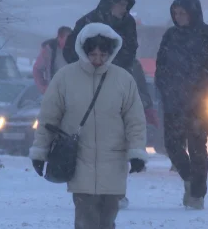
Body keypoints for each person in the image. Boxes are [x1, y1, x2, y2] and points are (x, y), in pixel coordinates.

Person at [29, 22, 148, 229]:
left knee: (108, 217)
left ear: (111, 53)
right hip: (78, 160)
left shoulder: (123, 80)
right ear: (83, 52)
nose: (98, 60)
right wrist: (40, 152)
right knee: (85, 218)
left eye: (103, 56)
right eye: (93, 55)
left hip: (113, 159)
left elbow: (135, 120)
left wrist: (136, 152)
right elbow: (49, 117)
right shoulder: (65, 78)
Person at [63, 0, 157, 208]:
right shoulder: (88, 22)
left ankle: (114, 189)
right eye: (121, 4)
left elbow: (129, 52)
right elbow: (70, 51)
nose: (124, 9)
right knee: (89, 140)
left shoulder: (127, 24)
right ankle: (87, 188)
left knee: (115, 139)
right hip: (88, 86)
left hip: (116, 86)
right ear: (110, 3)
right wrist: (88, 66)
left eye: (126, 4)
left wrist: (113, 68)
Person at [155, 0, 208, 210]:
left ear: (193, 12)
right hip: (174, 101)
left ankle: (197, 193)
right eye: (175, 14)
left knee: (197, 146)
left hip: (200, 103)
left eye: (183, 13)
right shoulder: (171, 36)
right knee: (171, 145)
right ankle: (189, 178)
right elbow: (162, 65)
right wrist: (164, 89)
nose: (179, 18)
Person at [33, 26, 72, 94]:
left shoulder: (75, 50)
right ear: (59, 38)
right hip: (54, 93)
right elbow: (37, 69)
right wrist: (43, 87)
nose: (70, 42)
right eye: (67, 39)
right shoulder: (49, 51)